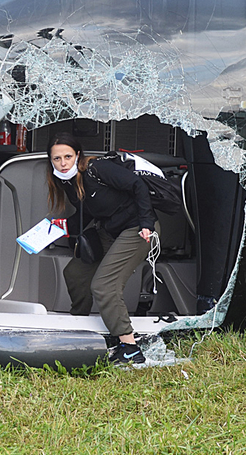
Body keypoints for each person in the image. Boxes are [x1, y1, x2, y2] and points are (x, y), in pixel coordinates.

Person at [46, 132, 158, 365]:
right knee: (75, 273)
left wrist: (147, 223)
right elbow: (88, 211)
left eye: (68, 156)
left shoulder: (96, 169)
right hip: (110, 229)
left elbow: (138, 186)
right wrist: (54, 229)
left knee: (104, 286)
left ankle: (129, 347)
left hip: (138, 228)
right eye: (57, 159)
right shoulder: (65, 180)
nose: (63, 163)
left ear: (78, 155)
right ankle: (80, 329)